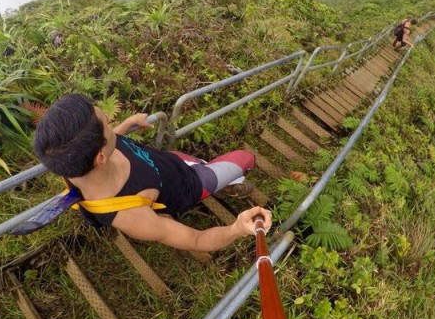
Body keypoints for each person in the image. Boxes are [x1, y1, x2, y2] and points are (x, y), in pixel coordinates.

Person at [30, 94, 272, 252]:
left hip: (171, 162)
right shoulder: (132, 216)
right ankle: (234, 182)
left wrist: (127, 124)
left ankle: (214, 171)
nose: (111, 124)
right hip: (193, 184)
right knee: (244, 157)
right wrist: (237, 228)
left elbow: (106, 141)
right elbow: (197, 240)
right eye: (106, 122)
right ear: (101, 157)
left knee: (198, 161)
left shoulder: (78, 162)